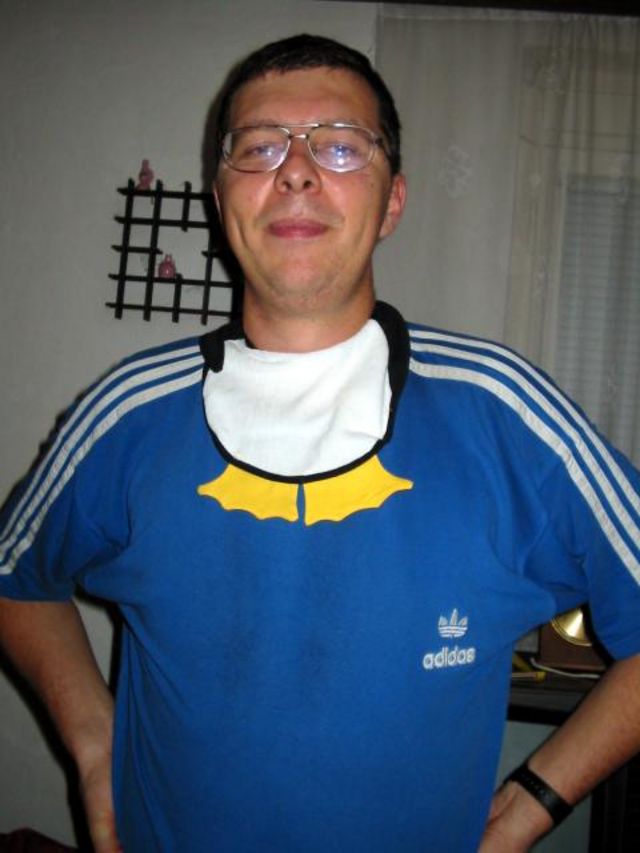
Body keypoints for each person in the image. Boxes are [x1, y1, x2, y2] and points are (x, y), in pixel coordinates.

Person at [1, 33, 639, 853]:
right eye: (259, 146)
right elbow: (15, 579)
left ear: (394, 201)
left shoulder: (506, 415)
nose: (296, 170)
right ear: (220, 200)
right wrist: (95, 745)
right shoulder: (127, 414)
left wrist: (533, 801)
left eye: (340, 145)